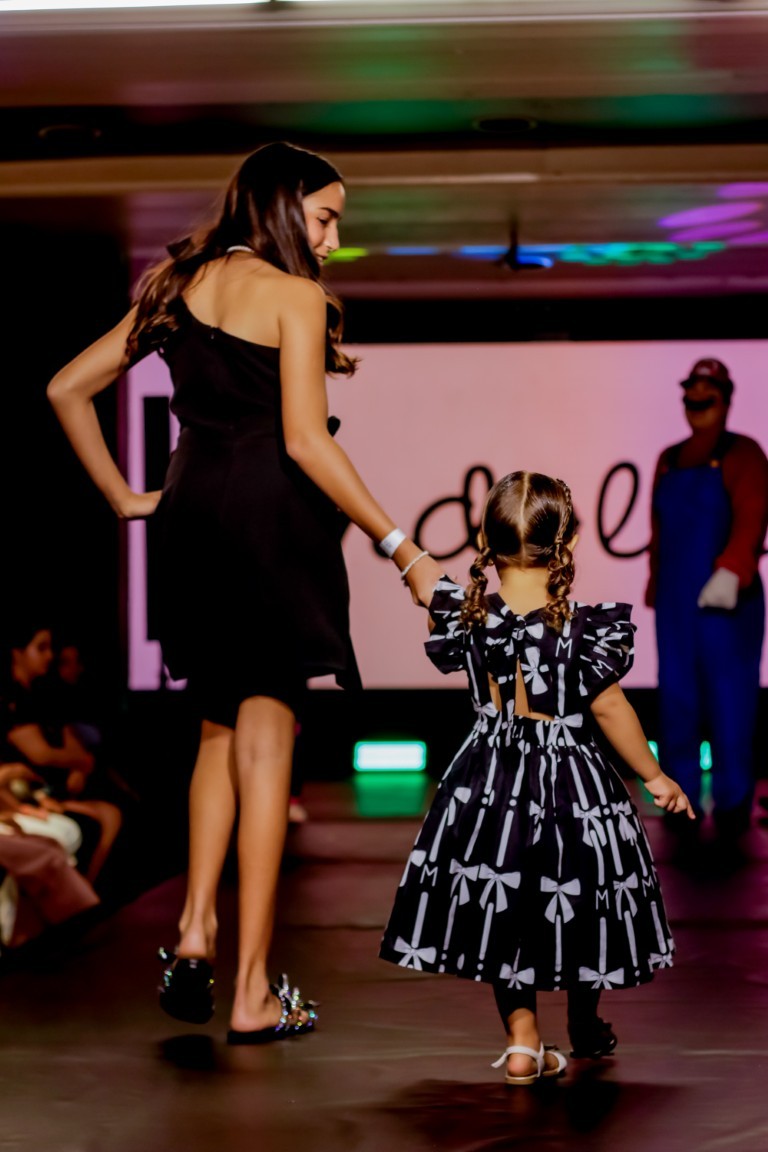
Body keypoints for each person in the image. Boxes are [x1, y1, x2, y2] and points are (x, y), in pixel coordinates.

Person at [46, 141, 434, 1042]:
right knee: (266, 745)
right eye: (326, 218)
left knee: (217, 732)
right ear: (284, 204)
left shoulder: (177, 285)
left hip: (190, 518)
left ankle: (195, 929)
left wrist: (124, 497)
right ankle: (253, 992)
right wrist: (403, 547)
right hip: (270, 521)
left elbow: (66, 387)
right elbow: (304, 439)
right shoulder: (295, 296)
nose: (333, 240)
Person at [380, 472, 694, 1085]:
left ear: (483, 540)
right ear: (568, 542)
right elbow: (610, 709)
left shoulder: (467, 615)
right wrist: (655, 776)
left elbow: (426, 589)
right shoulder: (582, 628)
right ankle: (583, 1019)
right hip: (569, 781)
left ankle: (522, 1040)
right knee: (580, 891)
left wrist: (397, 546)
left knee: (507, 902)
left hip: (488, 783)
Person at [646, 359, 768, 853]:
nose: (697, 398)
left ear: (725, 398)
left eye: (707, 390)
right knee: (676, 701)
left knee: (730, 703)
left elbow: (754, 512)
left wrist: (733, 569)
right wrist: (656, 583)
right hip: (676, 602)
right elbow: (658, 530)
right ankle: (679, 802)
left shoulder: (744, 453)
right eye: (691, 390)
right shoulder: (669, 458)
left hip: (727, 603)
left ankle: (734, 803)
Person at [1, 624, 123, 883]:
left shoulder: (44, 695)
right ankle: (82, 896)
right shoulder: (12, 700)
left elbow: (69, 743)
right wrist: (22, 804)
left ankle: (88, 893)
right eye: (41, 648)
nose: (49, 656)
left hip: (43, 790)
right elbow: (41, 755)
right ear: (17, 652)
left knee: (111, 813)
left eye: (50, 648)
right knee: (87, 825)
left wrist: (79, 764)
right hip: (28, 791)